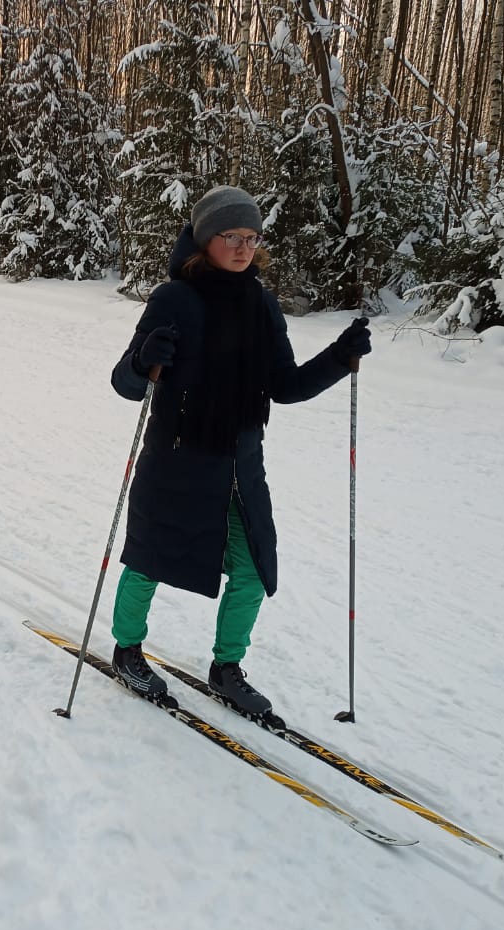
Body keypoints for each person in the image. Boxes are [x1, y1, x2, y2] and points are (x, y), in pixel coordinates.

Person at [109, 184, 371, 725]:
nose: (243, 246)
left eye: (251, 237)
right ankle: (127, 651)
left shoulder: (262, 304)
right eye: (232, 236)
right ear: (206, 239)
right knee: (148, 560)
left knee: (253, 570)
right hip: (177, 461)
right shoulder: (173, 299)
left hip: (241, 465)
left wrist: (339, 357)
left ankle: (226, 668)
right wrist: (143, 359)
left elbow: (286, 385)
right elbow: (125, 384)